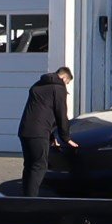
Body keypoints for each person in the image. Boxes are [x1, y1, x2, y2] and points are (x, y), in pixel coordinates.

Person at [16, 65, 72, 194]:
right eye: (67, 83)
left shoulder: (38, 85)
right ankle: (31, 201)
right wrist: (66, 137)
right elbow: (61, 113)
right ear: (64, 78)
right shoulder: (58, 88)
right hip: (39, 133)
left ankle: (24, 198)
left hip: (25, 130)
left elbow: (41, 112)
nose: (66, 86)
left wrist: (52, 137)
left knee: (29, 165)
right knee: (39, 166)